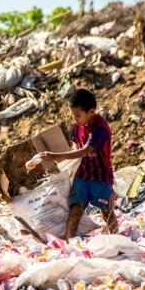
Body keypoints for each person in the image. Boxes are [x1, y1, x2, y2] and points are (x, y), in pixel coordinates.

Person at [29, 88, 117, 239]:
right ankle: (71, 244)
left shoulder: (101, 129)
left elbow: (84, 151)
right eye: (73, 116)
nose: (75, 120)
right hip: (82, 173)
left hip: (100, 175)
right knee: (76, 208)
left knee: (106, 210)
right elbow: (76, 147)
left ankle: (117, 238)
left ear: (91, 112)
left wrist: (53, 156)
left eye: (78, 115)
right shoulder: (78, 125)